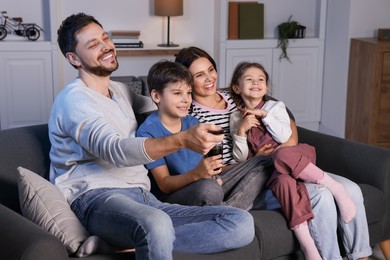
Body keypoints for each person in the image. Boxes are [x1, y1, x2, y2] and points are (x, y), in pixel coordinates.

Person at [49, 13, 255, 259]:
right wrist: (182, 139)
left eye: (105, 38)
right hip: (97, 199)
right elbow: (114, 150)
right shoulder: (74, 100)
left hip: (145, 198)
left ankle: (126, 244)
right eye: (93, 44)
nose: (106, 46)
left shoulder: (119, 90)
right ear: (74, 58)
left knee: (241, 223)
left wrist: (210, 99)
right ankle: (146, 237)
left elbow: (164, 106)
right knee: (156, 224)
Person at [175, 46, 372, 260]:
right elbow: (211, 169)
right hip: (253, 179)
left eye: (211, 69)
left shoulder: (233, 96)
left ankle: (361, 256)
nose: (209, 78)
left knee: (350, 188)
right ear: (187, 81)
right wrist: (256, 160)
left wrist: (284, 150)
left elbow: (285, 120)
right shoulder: (191, 116)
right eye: (199, 75)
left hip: (284, 161)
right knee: (320, 196)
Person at [229, 61, 358, 259]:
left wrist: (265, 115)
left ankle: (336, 188)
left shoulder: (275, 107)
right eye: (249, 79)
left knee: (281, 154)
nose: (256, 83)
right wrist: (241, 131)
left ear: (267, 87)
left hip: (298, 157)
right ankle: (309, 247)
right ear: (236, 88)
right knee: (282, 183)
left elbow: (284, 136)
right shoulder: (237, 118)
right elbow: (241, 158)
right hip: (274, 172)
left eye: (260, 79)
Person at [136, 60, 272, 208]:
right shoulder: (148, 131)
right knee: (209, 189)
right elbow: (164, 184)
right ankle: (231, 210)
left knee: (263, 163)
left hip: (207, 182)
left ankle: (227, 209)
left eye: (188, 93)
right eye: (177, 93)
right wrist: (198, 174)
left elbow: (210, 168)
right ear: (156, 96)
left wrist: (245, 165)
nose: (185, 100)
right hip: (179, 193)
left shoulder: (193, 122)